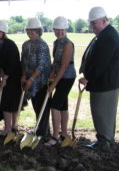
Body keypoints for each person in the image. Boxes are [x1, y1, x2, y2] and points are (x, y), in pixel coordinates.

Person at [79, 7, 119, 150]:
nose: (92, 26)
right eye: (91, 23)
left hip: (105, 83)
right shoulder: (104, 34)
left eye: (94, 23)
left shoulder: (108, 37)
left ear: (104, 21)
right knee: (104, 112)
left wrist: (88, 78)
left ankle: (104, 142)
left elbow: (100, 64)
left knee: (101, 112)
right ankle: (106, 140)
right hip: (105, 82)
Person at [44, 17, 76, 146]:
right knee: (63, 105)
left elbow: (63, 66)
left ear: (65, 30)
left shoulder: (68, 44)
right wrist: (51, 74)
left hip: (67, 77)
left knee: (54, 106)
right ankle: (64, 133)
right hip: (58, 75)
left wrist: (53, 84)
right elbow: (56, 63)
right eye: (57, 30)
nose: (59, 32)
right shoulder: (56, 43)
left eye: (61, 30)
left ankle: (55, 136)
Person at [21, 18, 51, 138]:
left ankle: (43, 132)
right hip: (29, 80)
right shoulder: (26, 44)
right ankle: (40, 129)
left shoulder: (42, 45)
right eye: (28, 30)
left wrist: (32, 79)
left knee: (42, 107)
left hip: (41, 82)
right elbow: (22, 61)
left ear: (38, 31)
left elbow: (42, 65)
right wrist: (23, 76)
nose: (30, 33)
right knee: (36, 106)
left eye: (33, 31)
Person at [0, 20, 22, 134]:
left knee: (11, 103)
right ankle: (8, 128)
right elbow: (0, 61)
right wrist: (1, 73)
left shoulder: (10, 44)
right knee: (6, 103)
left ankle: (12, 128)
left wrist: (5, 77)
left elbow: (13, 62)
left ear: (3, 32)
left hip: (14, 76)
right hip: (5, 75)